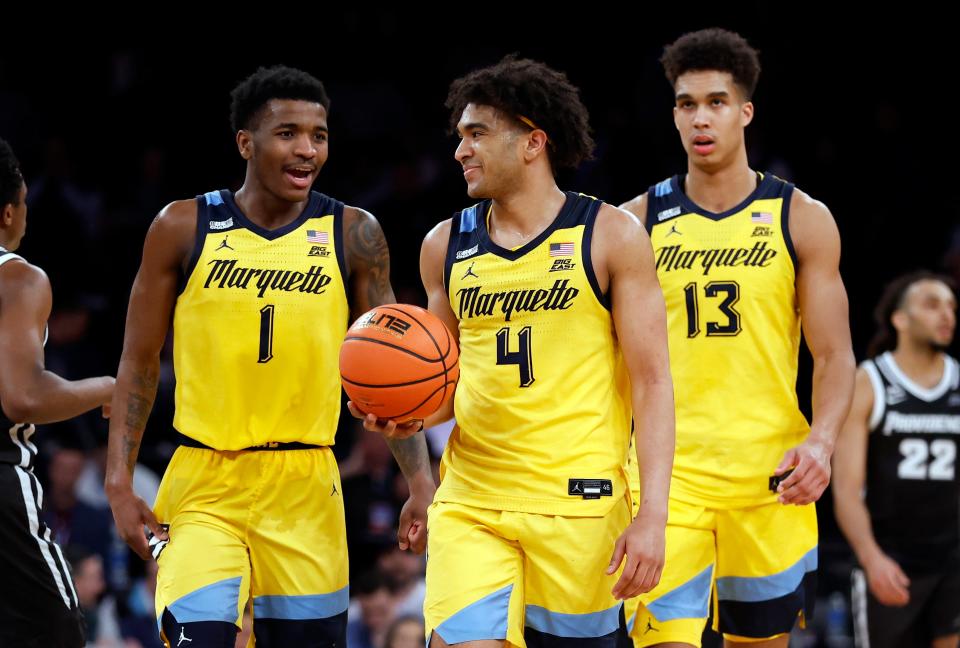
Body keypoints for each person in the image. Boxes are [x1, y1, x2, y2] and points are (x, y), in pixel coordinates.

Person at [104, 65, 434, 648]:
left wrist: (419, 480)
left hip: (306, 485)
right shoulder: (183, 226)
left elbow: (392, 372)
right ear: (245, 143)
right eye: (287, 133)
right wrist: (117, 483)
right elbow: (138, 361)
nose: (307, 149)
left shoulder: (355, 234)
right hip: (203, 480)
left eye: (320, 134)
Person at [402, 54, 675, 647]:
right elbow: (440, 387)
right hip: (472, 500)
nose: (460, 150)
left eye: (478, 134)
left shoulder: (611, 236)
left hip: (581, 505)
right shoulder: (443, 245)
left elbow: (654, 383)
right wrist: (403, 412)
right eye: (459, 136)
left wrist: (654, 514)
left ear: (533, 142)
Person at [620, 28, 855, 647]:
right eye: (686, 103)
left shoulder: (801, 217)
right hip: (666, 480)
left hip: (769, 475)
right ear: (672, 114)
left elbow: (833, 355)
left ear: (745, 111)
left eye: (716, 102)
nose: (701, 118)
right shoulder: (632, 224)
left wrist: (822, 444)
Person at [0, 136, 114, 647]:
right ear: (8, 213)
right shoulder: (18, 279)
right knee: (59, 633)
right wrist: (108, 386)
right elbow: (24, 397)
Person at [833, 271, 960, 648]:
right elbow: (847, 490)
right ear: (900, 319)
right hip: (892, 559)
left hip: (951, 559)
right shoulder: (871, 381)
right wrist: (872, 559)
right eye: (932, 305)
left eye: (952, 306)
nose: (947, 315)